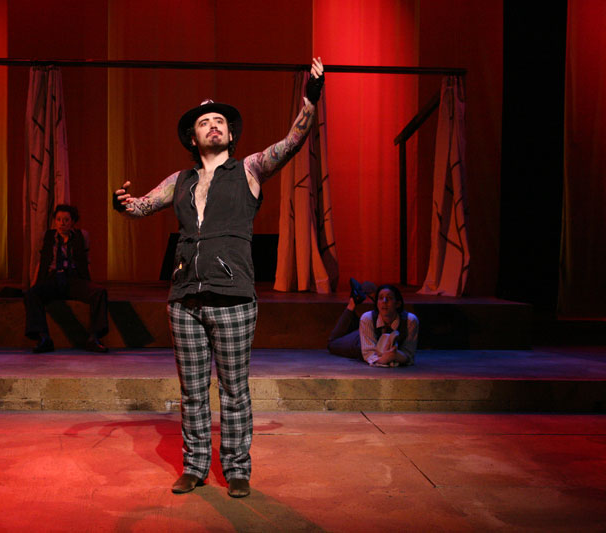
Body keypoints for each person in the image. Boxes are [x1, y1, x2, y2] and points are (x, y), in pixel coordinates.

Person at [113, 57, 325, 498]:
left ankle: (237, 468)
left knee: (233, 390)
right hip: (184, 298)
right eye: (205, 122)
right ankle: (194, 466)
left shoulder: (249, 169)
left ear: (230, 134)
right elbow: (141, 207)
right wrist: (123, 204)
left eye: (220, 122)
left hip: (233, 296)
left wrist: (310, 99)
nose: (213, 125)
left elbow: (292, 142)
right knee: (192, 392)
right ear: (193, 138)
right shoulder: (180, 180)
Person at [24, 204, 109, 353]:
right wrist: (34, 283)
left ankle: (94, 338)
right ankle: (43, 338)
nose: (62, 223)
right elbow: (41, 262)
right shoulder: (48, 236)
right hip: (53, 278)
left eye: (66, 220)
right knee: (32, 294)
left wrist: (89, 282)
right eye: (58, 220)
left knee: (99, 292)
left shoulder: (82, 236)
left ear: (72, 222)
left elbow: (86, 261)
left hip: (73, 278)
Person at [328, 282, 419, 367]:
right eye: (380, 298)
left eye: (389, 298)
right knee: (332, 344)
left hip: (375, 336)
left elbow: (409, 353)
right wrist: (383, 360)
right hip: (361, 341)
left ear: (398, 303)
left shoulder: (410, 320)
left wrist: (395, 355)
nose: (384, 301)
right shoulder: (368, 318)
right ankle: (352, 303)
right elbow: (369, 353)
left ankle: (355, 320)